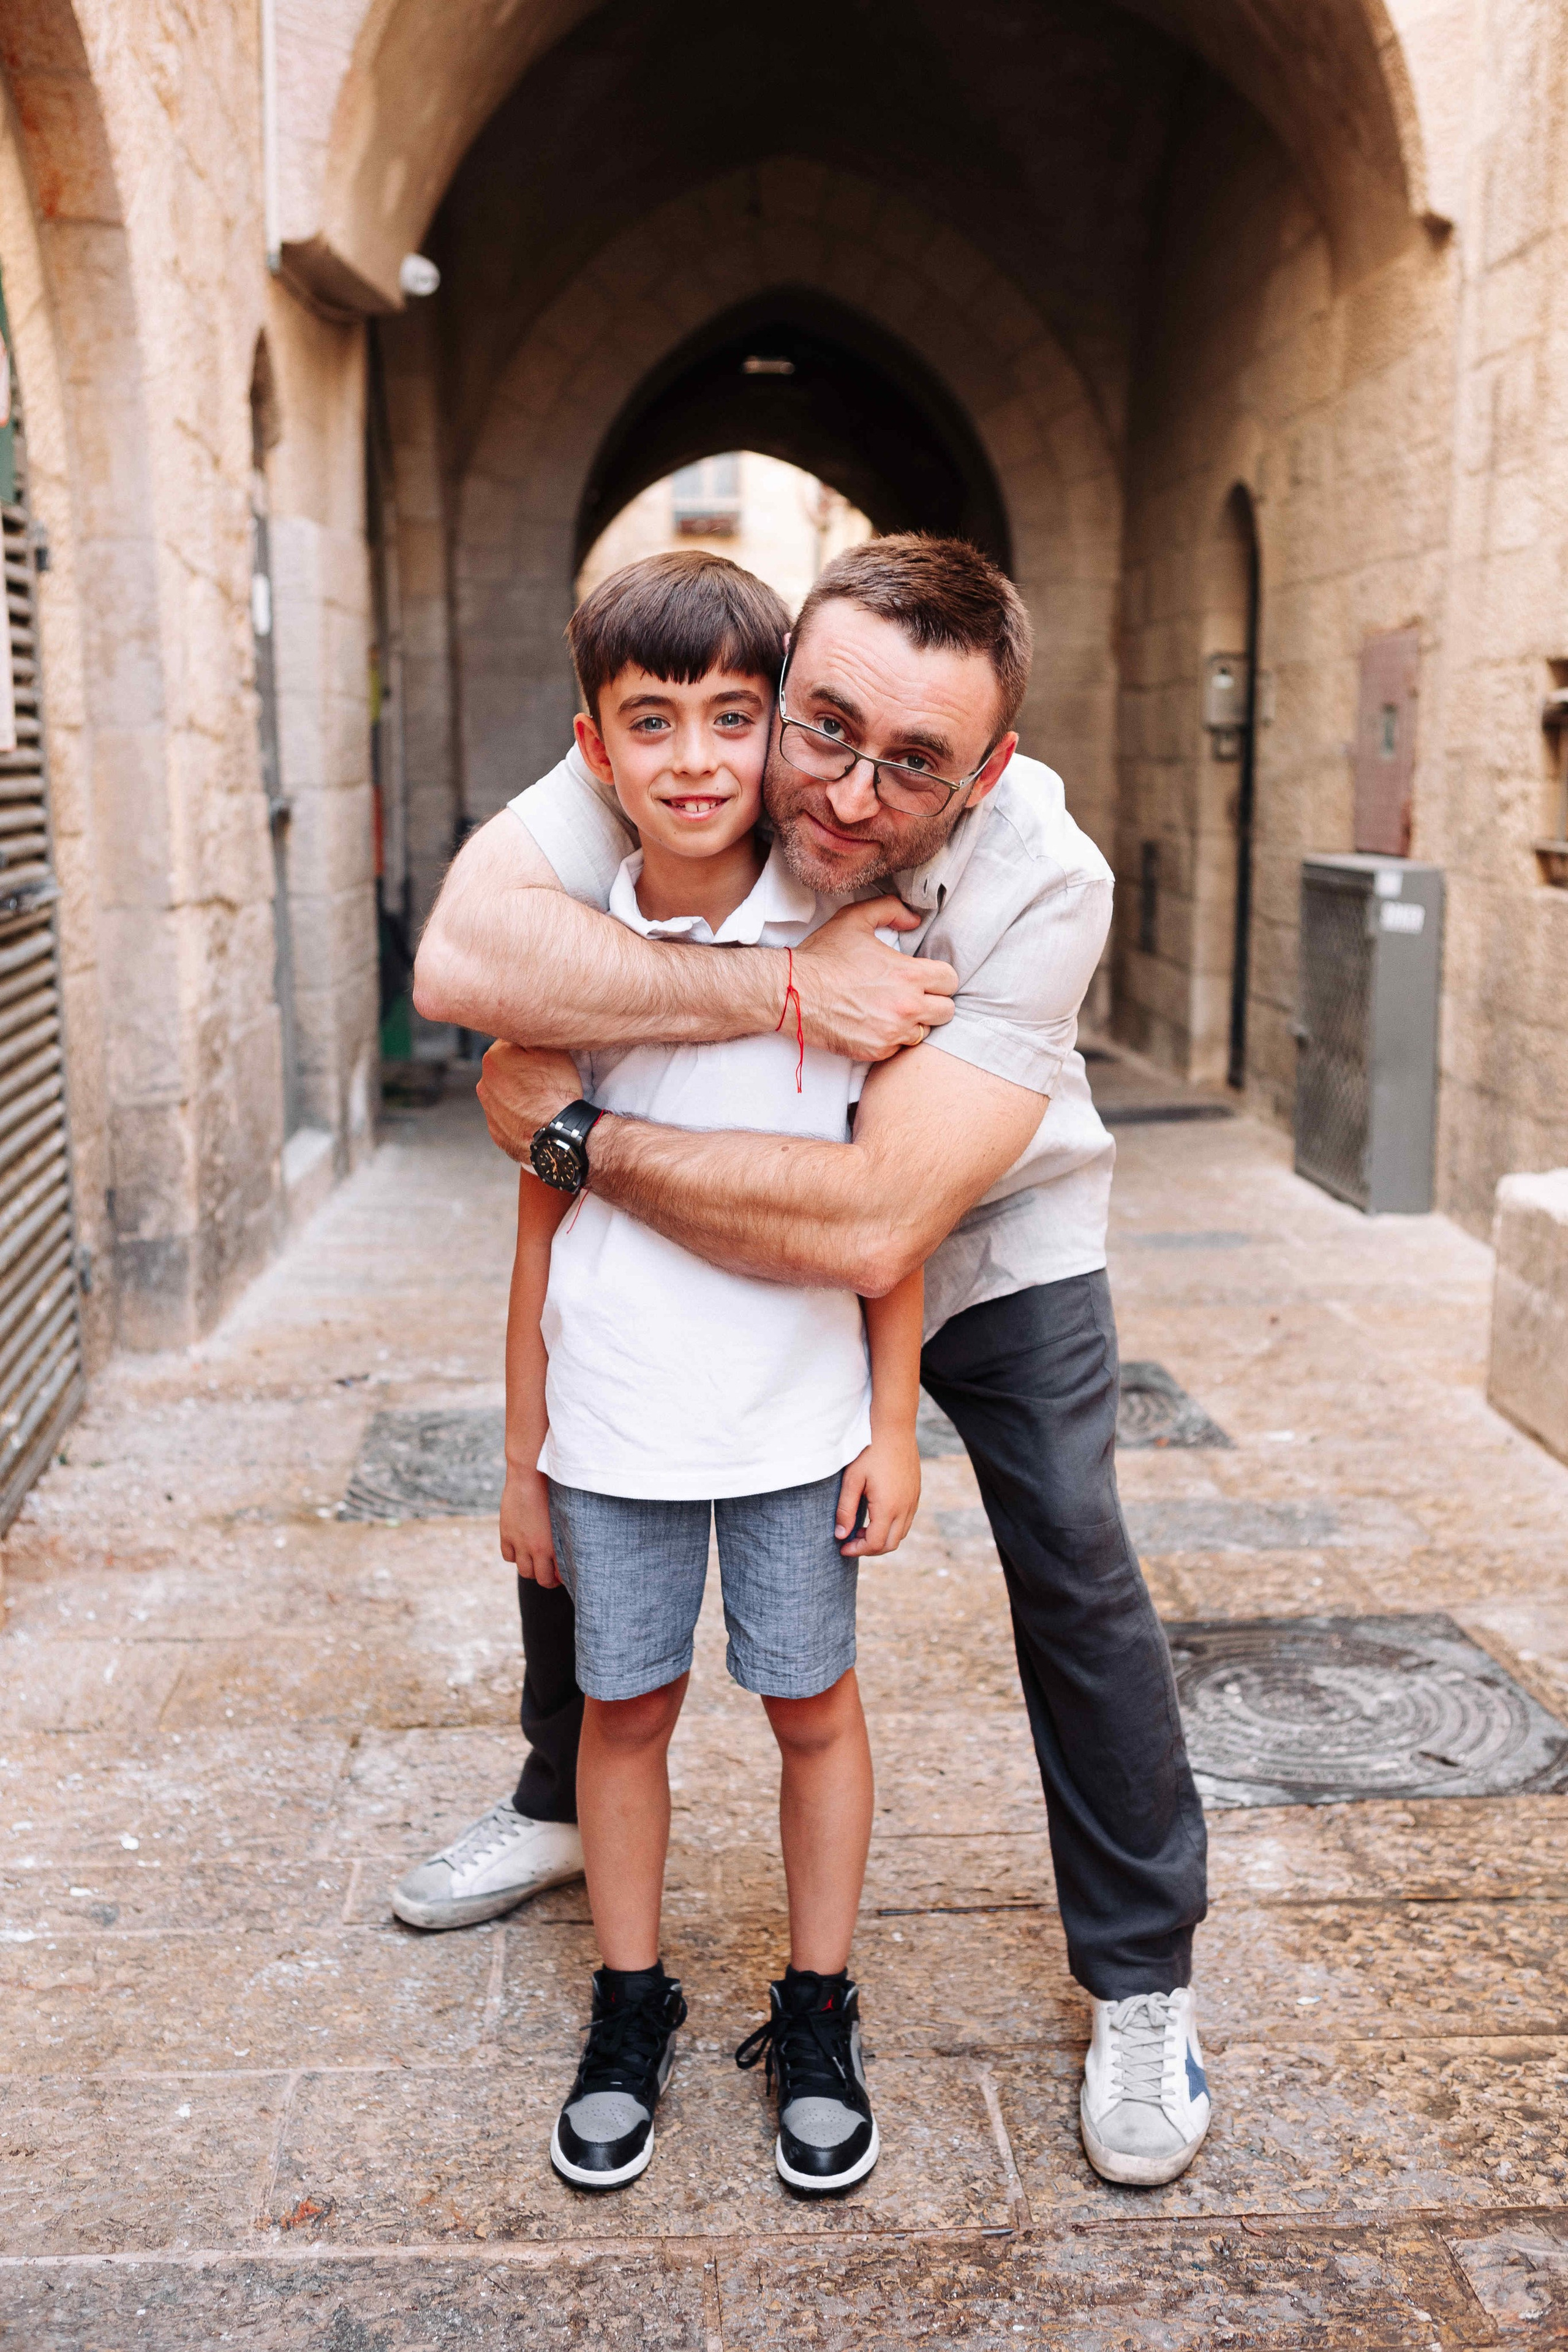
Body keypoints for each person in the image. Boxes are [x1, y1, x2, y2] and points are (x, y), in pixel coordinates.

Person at [406, 533, 1213, 2189]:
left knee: (1068, 1542)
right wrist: (776, 988)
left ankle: (1141, 1973)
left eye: (910, 763)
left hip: (969, 1229)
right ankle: (569, 1803)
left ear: (985, 770)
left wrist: (574, 1139)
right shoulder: (709, 731)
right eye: (822, 730)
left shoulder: (1044, 874)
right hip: (710, 1190)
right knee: (604, 1463)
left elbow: (871, 1229)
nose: (842, 793)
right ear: (787, 689)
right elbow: (464, 964)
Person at [498, 552, 922, 2192]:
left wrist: (891, 1421)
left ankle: (817, 2008)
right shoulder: (565, 955)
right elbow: (539, 1215)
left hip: (801, 1420)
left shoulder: (850, 939)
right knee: (629, 1707)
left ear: (779, 737)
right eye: (650, 720)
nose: (693, 758)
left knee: (811, 1704)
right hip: (613, 1425)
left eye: (733, 719)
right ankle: (629, 2004)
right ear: (594, 747)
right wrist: (524, 1447)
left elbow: (887, 1213)